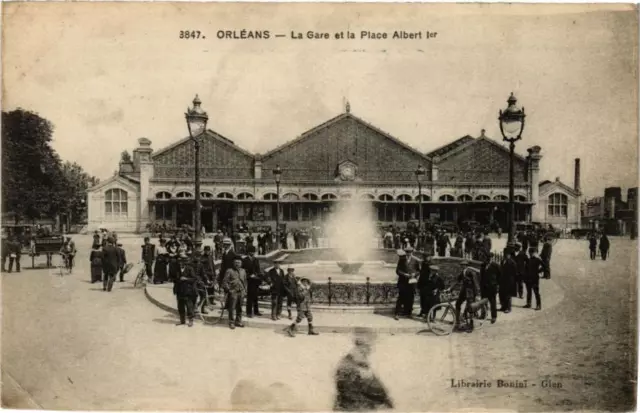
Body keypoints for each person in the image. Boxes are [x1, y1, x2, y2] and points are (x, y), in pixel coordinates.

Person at [333, 328, 394, 411]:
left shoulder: (360, 362)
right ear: (361, 346)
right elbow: (349, 396)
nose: (371, 349)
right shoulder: (350, 366)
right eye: (368, 346)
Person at [447, 263, 478, 332]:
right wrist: (450, 288)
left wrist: (475, 293)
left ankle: (471, 325)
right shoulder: (462, 272)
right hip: (463, 291)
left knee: (470, 308)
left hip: (470, 292)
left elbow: (475, 282)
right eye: (461, 265)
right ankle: (457, 322)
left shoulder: (470, 272)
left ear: (466, 266)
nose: (462, 266)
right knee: (458, 303)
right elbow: (457, 281)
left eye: (464, 265)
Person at [393, 247, 419, 320]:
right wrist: (404, 274)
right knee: (401, 297)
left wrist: (415, 274)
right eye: (407, 252)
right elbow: (397, 270)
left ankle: (408, 313)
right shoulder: (401, 260)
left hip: (411, 282)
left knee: (410, 298)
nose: (408, 254)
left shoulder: (415, 261)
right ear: (405, 253)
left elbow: (418, 271)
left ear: (412, 253)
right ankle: (397, 313)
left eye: (410, 252)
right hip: (403, 282)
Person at [222, 257, 247, 329]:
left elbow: (245, 282)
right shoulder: (229, 271)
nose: (237, 264)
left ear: (241, 264)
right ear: (233, 263)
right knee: (232, 308)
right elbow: (224, 282)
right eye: (236, 263)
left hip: (241, 292)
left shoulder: (243, 271)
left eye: (239, 263)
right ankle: (231, 322)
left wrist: (245, 291)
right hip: (233, 292)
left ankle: (238, 321)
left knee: (240, 308)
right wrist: (229, 290)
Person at [174, 254, 197, 327]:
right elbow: (174, 278)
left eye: (183, 261)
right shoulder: (177, 269)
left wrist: (186, 279)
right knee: (180, 306)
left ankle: (191, 320)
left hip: (187, 290)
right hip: (179, 290)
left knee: (189, 306)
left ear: (185, 262)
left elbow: (194, 279)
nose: (181, 263)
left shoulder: (190, 269)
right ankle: (182, 320)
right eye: (180, 261)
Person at [243, 245, 264, 318]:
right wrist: (249, 275)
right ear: (248, 252)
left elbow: (258, 269)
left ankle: (256, 311)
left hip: (256, 280)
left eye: (253, 252)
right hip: (249, 281)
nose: (252, 253)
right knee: (249, 297)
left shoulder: (256, 260)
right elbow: (243, 271)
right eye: (251, 252)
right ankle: (248, 312)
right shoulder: (245, 260)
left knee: (256, 296)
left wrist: (258, 275)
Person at [479, 252, 499, 323]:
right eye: (486, 258)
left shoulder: (495, 266)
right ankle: (483, 314)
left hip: (492, 287)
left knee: (492, 302)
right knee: (483, 302)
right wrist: (480, 285)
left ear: (492, 258)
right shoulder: (482, 265)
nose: (488, 260)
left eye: (489, 258)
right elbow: (481, 276)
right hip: (484, 287)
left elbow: (500, 276)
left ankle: (494, 316)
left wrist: (497, 285)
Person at [499, 247, 517, 313]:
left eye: (507, 254)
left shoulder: (512, 262)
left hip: (509, 281)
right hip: (503, 280)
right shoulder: (503, 261)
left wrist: (513, 280)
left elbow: (515, 272)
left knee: (508, 295)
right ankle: (503, 306)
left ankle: (508, 308)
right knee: (502, 294)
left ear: (509, 255)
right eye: (505, 254)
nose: (505, 255)